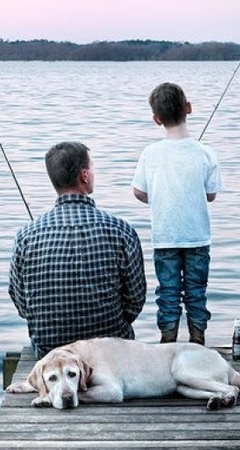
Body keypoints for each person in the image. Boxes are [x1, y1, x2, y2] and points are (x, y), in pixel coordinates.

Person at [9, 141, 147, 357]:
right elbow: (135, 299)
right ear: (84, 176)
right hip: (110, 351)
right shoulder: (121, 230)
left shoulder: (26, 236)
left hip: (51, 352)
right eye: (91, 167)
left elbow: (22, 305)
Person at [131, 82, 223, 345]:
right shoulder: (205, 153)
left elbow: (138, 192)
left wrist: (156, 197)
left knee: (168, 293)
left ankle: (167, 346)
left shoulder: (150, 153)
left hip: (165, 238)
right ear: (189, 108)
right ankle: (197, 343)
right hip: (197, 238)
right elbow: (211, 195)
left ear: (156, 119)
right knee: (196, 293)